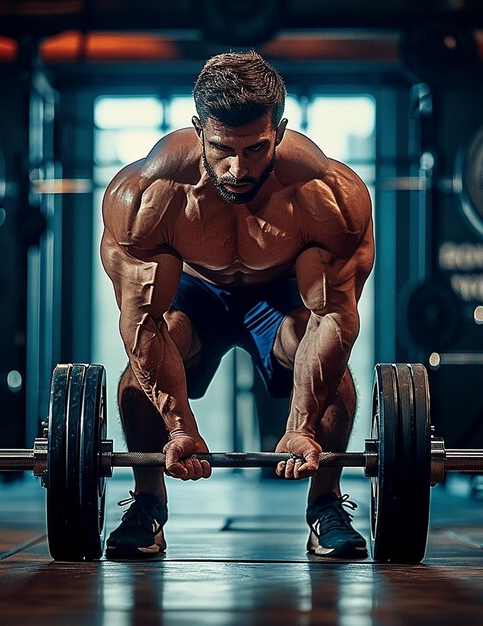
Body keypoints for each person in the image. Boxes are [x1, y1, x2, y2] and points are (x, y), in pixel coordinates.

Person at [100, 50, 374, 560]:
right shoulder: (146, 198)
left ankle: (326, 506)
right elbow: (142, 321)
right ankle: (148, 504)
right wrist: (180, 428)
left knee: (335, 376)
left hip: (280, 295)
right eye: (222, 148)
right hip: (195, 294)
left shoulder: (328, 198)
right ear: (197, 127)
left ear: (281, 130)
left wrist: (301, 428)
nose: (237, 167)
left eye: (255, 150)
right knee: (137, 379)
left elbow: (334, 317)